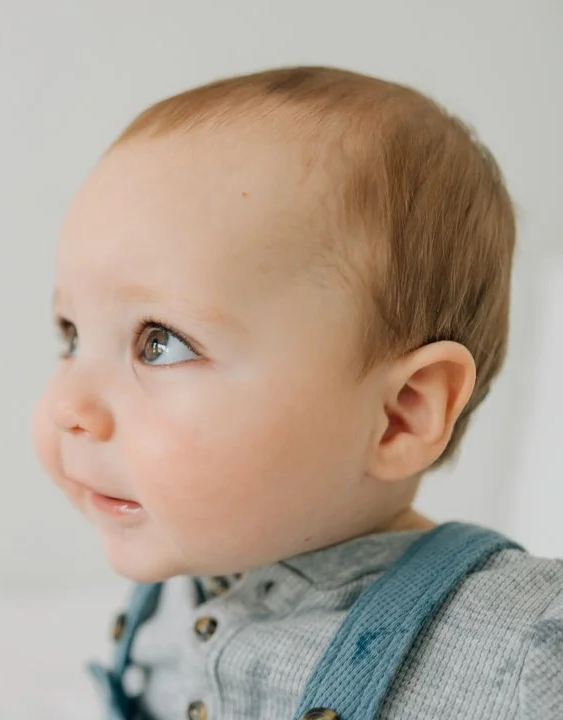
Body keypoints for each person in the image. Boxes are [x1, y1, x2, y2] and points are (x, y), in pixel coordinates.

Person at [31, 66, 563, 719]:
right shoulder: (187, 585)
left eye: (160, 342)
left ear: (401, 414)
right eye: (70, 335)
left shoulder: (524, 644)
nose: (67, 406)